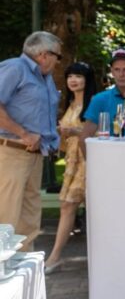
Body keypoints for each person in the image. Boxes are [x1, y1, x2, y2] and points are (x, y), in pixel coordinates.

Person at [0, 32, 62, 251]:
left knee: (29, 218)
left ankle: (24, 272)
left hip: (35, 154)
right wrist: (23, 133)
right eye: (58, 56)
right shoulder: (15, 68)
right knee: (6, 217)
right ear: (44, 55)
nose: (58, 61)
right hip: (12, 151)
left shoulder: (45, 77)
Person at [45, 62, 96, 273]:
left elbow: (100, 131)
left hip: (90, 160)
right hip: (72, 162)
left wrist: (74, 131)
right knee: (67, 205)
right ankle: (54, 256)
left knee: (92, 209)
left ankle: (103, 256)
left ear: (87, 79)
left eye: (78, 76)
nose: (73, 80)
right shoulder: (70, 104)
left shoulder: (94, 102)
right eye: (70, 76)